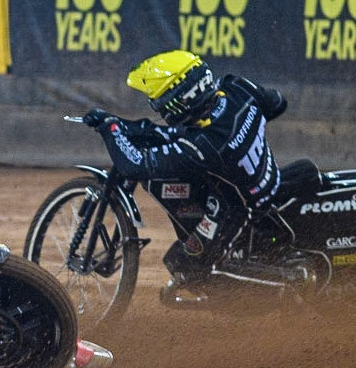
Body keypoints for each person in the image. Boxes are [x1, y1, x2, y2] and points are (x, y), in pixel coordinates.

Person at [84, 49, 288, 292]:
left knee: (183, 265)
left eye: (159, 102)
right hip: (271, 185)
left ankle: (249, 292)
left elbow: (134, 165)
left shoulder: (203, 146)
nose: (158, 109)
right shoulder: (237, 88)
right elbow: (277, 104)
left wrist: (111, 130)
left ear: (179, 102)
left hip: (239, 213)